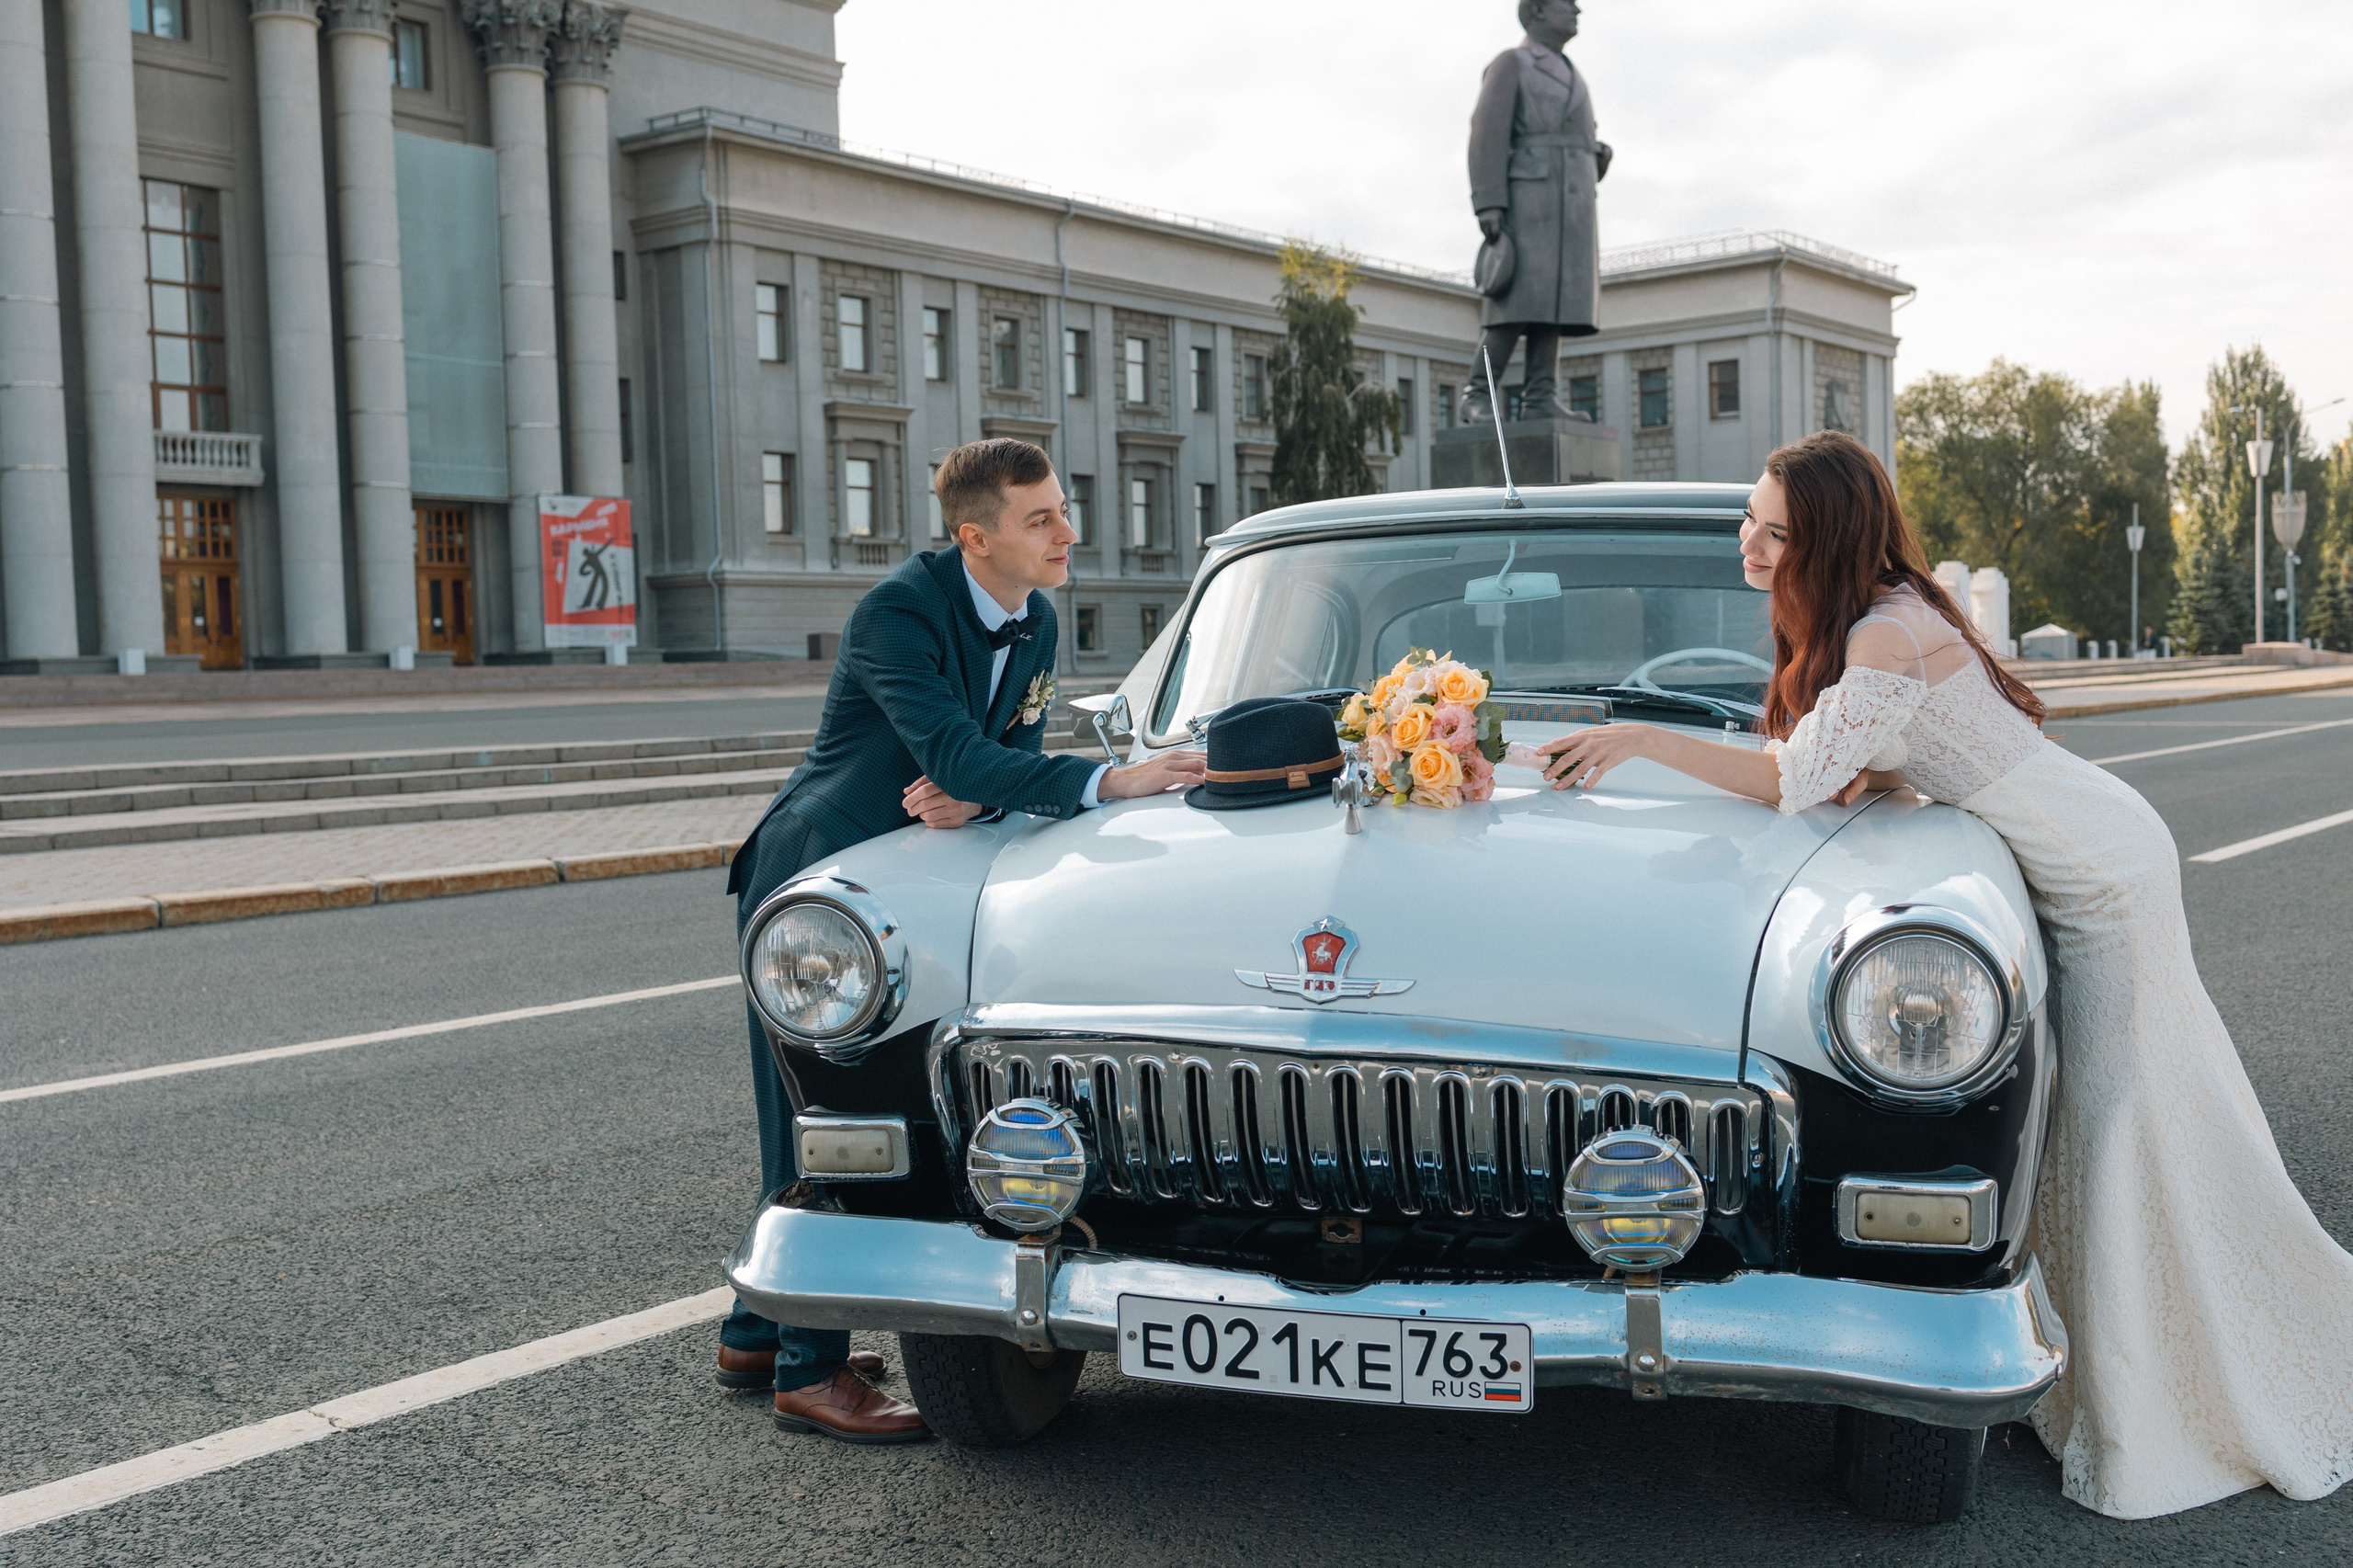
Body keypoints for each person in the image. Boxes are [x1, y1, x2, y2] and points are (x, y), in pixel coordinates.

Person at [1532, 428, 2353, 1518]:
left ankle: (2163, 1384)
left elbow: (1794, 779)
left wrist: (1640, 739)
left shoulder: (1884, 631)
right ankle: (2132, 1346)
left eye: (1775, 532)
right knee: (2115, 1113)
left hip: (2102, 872)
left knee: (2119, 1118)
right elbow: (1863, 768)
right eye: (1750, 520)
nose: (1749, 544)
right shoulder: (1883, 613)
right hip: (2085, 847)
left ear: (1828, 539)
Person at [718, 437, 1205, 1442]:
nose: (1067, 533)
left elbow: (994, 758)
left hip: (921, 876)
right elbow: (953, 750)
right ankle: (810, 1373)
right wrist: (1109, 780)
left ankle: (752, 1336)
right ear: (974, 537)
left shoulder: (1035, 616)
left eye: (1062, 510)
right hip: (827, 878)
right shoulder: (897, 611)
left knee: (843, 1111)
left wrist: (979, 787)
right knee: (824, 1118)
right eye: (1042, 518)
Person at [1461, 0, 1612, 424]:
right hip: (1529, 201)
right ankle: (1478, 392)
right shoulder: (1513, 62)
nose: (1577, 10)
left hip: (1572, 205)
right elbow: (1486, 133)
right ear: (1539, 11)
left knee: (1556, 302)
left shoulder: (1573, 73)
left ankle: (1541, 396)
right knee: (1516, 301)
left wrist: (1595, 156)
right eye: (1567, 3)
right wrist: (1489, 201)